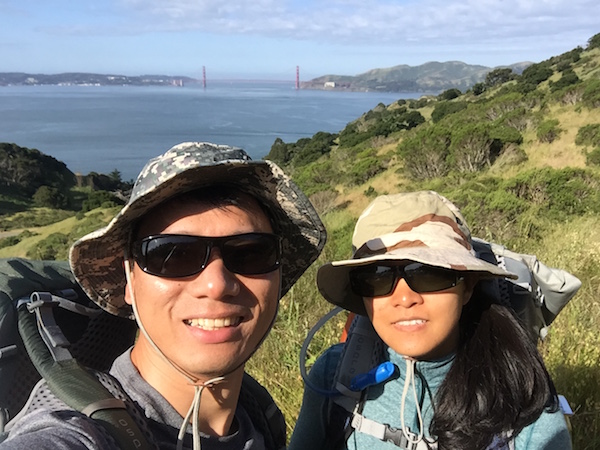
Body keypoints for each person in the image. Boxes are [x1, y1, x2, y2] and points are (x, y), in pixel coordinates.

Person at [1, 142, 326, 449]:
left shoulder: (260, 416)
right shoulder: (79, 434)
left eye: (250, 253)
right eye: (172, 255)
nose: (216, 284)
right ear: (129, 278)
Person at [289, 191, 571, 450]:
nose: (404, 298)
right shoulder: (336, 375)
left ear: (468, 286)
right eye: (377, 276)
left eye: (429, 273)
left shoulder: (524, 403)